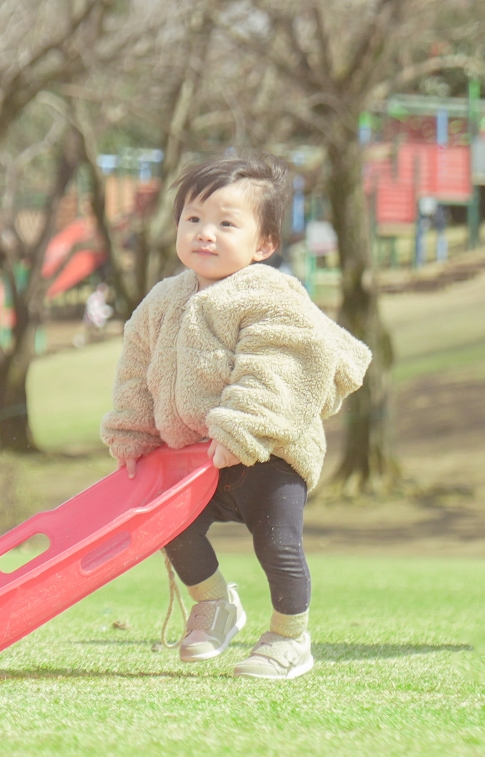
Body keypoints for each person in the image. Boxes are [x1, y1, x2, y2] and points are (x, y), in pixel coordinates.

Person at [101, 156, 372, 680]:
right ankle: (213, 603)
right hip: (191, 457)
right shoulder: (165, 298)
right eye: (194, 219)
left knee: (276, 540)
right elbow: (137, 366)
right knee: (169, 526)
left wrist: (241, 426)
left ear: (263, 244)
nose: (206, 234)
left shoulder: (269, 295)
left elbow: (279, 362)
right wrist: (132, 431)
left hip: (267, 451)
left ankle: (291, 638)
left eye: (227, 224)